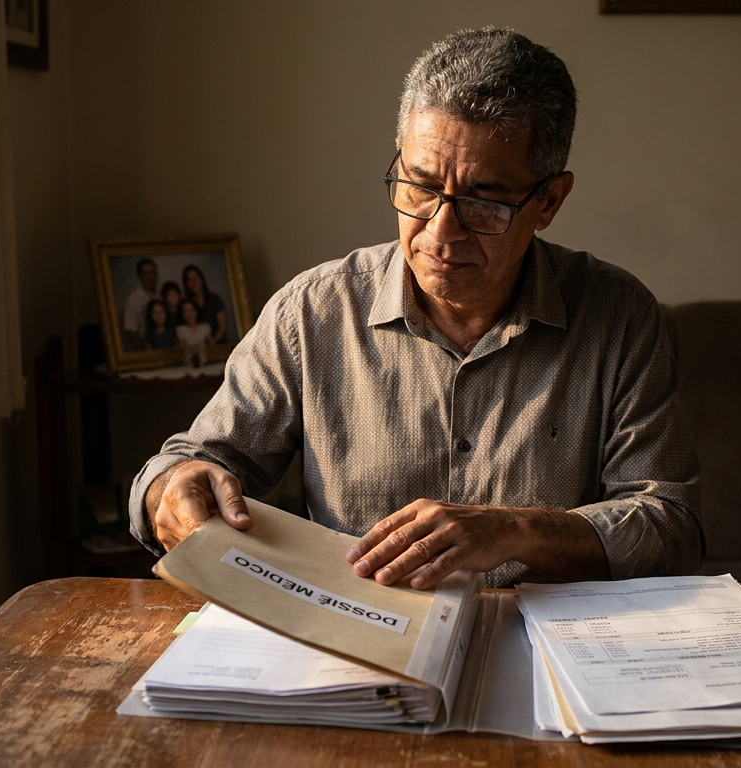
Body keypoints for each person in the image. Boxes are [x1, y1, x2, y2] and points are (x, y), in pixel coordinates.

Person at [130, 28, 702, 589]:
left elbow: (671, 527)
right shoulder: (313, 314)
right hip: (358, 632)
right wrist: (172, 487)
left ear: (549, 200)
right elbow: (192, 462)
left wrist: (516, 530)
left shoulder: (619, 317)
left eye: (483, 202)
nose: (440, 232)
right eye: (420, 187)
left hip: (545, 636)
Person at [182, 265, 229, 344]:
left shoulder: (214, 299)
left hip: (218, 344)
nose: (193, 282)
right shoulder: (186, 304)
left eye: (196, 278)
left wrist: (212, 343)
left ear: (202, 279)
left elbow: (223, 327)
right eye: (190, 279)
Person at [122, 258, 159, 351]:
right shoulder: (133, 299)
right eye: (146, 274)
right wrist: (141, 352)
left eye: (152, 273)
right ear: (139, 276)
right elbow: (131, 329)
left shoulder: (161, 295)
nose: (150, 277)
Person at [176, 299, 212, 366]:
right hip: (188, 364)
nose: (189, 314)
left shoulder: (205, 327)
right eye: (185, 312)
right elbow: (181, 351)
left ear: (196, 311)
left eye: (192, 311)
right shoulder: (181, 330)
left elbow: (211, 347)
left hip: (204, 362)